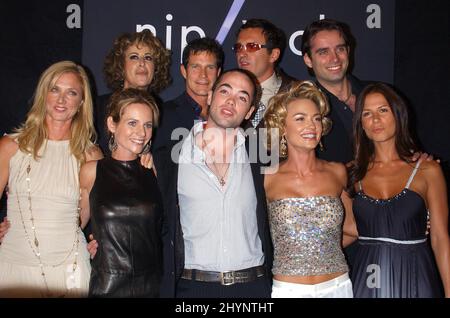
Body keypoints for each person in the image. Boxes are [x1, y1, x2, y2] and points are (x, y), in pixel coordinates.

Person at [158, 69, 273, 298]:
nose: (231, 101)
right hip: (192, 289)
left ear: (249, 111)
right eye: (225, 91)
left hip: (253, 288)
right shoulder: (168, 159)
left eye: (242, 97)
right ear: (210, 97)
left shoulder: (262, 156)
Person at [0, 60, 102, 297]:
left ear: (81, 103)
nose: (61, 99)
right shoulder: (10, 147)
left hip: (71, 268)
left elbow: (91, 217)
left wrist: (99, 242)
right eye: (55, 89)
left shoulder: (91, 155)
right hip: (15, 267)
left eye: (71, 93)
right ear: (43, 93)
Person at [345, 82, 450, 297]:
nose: (375, 119)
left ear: (398, 115)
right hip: (369, 278)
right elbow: (347, 230)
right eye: (367, 113)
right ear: (360, 123)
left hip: (416, 275)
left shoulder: (427, 169)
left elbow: (440, 238)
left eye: (383, 110)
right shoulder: (350, 173)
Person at [263, 80, 353, 298]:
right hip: (288, 290)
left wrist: (321, 247)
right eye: (300, 119)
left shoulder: (337, 172)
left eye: (316, 119)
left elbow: (352, 228)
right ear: (282, 127)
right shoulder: (267, 178)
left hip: (337, 286)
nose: (311, 126)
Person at [79, 88, 163, 297]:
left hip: (150, 286)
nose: (141, 133)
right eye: (132, 123)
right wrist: (83, 245)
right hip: (106, 285)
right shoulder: (91, 170)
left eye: (148, 125)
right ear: (111, 124)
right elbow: (73, 224)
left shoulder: (154, 170)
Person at [301, 18, 369, 164]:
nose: (335, 58)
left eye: (340, 49)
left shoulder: (380, 94)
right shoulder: (303, 108)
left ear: (348, 51)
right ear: (308, 60)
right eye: (323, 52)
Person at [96, 30, 171, 154]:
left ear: (156, 67)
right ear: (121, 65)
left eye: (148, 58)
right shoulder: (98, 107)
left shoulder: (164, 114)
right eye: (134, 57)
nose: (142, 63)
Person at [152, 37, 223, 158]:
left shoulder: (227, 116)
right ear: (184, 71)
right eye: (196, 67)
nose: (203, 75)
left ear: (218, 72)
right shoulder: (163, 116)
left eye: (210, 67)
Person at [234, 18, 296, 129]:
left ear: (273, 55)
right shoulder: (223, 92)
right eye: (239, 47)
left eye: (251, 46)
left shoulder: (298, 93)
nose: (242, 54)